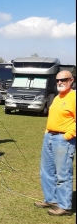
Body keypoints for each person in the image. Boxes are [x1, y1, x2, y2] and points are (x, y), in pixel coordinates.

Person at [35, 70, 75, 216]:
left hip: (63, 139)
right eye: (57, 80)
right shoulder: (58, 97)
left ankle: (64, 206)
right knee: (46, 171)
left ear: (71, 80)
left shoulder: (74, 97)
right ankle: (51, 199)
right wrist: (47, 131)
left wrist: (68, 136)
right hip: (49, 137)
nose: (59, 82)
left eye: (63, 80)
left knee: (63, 173)